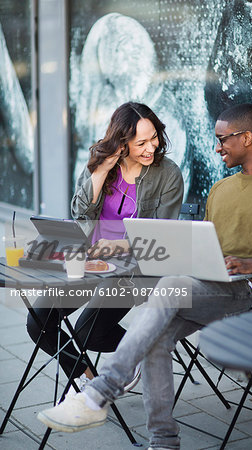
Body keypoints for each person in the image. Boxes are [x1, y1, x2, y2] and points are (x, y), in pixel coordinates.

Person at [37, 104, 252, 450]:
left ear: (247, 137)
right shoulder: (221, 190)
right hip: (203, 284)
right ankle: (163, 442)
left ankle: (100, 391)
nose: (217, 147)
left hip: (248, 291)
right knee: (154, 336)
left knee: (169, 285)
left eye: (222, 139)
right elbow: (201, 245)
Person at [26, 102, 184, 392]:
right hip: (90, 263)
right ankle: (88, 374)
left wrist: (118, 245)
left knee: (88, 333)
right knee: (38, 322)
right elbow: (80, 216)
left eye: (154, 137)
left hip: (137, 269)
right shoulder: (101, 161)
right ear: (122, 143)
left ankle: (142, 349)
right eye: (141, 142)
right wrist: (100, 172)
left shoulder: (168, 174)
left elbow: (164, 235)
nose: (152, 147)